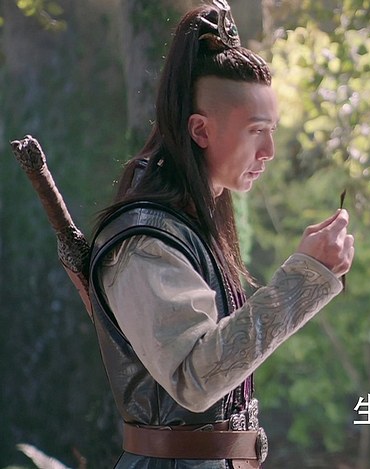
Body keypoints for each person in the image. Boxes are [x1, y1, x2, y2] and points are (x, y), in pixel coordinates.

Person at [87, 1, 354, 467]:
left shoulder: (190, 224)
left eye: (272, 130)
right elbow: (196, 378)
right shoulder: (146, 241)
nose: (269, 150)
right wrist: (306, 278)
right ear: (201, 130)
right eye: (256, 131)